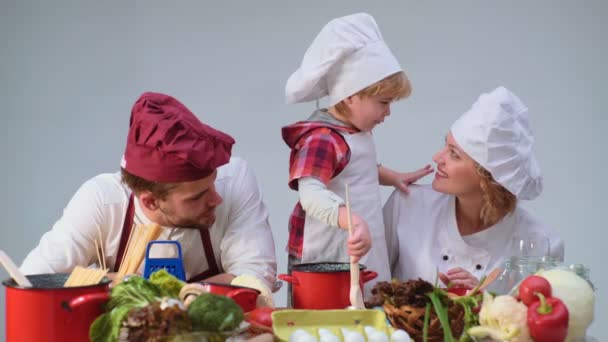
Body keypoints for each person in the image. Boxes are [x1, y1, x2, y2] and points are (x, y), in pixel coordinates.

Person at [21, 92, 277, 292]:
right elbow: (33, 279)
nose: (216, 199)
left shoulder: (235, 178)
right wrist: (114, 282)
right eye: (197, 197)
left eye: (212, 183)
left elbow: (254, 276)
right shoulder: (103, 202)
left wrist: (175, 296)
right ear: (151, 202)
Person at [282, 13, 432, 297]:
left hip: (357, 238)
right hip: (325, 251)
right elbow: (310, 194)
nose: (388, 112)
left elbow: (357, 167)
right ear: (351, 96)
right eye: (383, 103)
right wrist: (351, 219)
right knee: (328, 318)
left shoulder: (353, 131)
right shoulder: (322, 138)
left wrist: (393, 177)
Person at [384, 86, 564, 289]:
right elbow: (368, 291)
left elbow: (540, 316)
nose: (437, 158)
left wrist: (482, 301)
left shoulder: (541, 244)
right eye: (446, 145)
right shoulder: (407, 205)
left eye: (454, 154)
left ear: (487, 177)